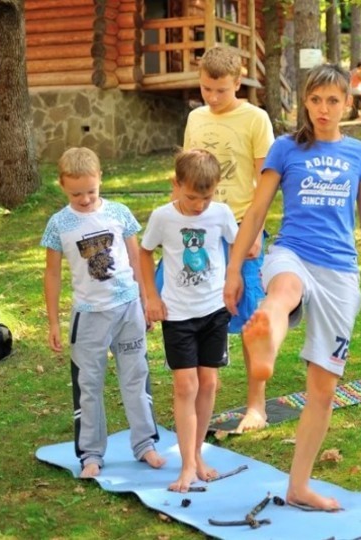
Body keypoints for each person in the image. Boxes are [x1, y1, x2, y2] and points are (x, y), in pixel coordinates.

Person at [225, 63, 361, 511]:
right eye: (316, 100)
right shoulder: (284, 148)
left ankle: (299, 486)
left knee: (323, 389)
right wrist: (232, 270)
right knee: (283, 293)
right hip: (292, 252)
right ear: (305, 102)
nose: (323, 109)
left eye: (333, 100)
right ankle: (265, 345)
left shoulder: (360, 154)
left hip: (340, 270)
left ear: (348, 104)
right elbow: (257, 213)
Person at [41, 147, 165, 478]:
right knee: (89, 384)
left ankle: (146, 445)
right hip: (90, 316)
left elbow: (137, 258)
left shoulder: (120, 213)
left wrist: (145, 299)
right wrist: (53, 321)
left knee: (136, 377)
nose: (84, 199)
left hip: (128, 310)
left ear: (101, 180)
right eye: (76, 193)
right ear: (62, 186)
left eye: (91, 191)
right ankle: (91, 455)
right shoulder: (59, 224)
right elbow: (52, 274)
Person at [183, 45, 275, 432]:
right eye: (206, 89)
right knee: (204, 313)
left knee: (252, 314)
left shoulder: (256, 119)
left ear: (238, 82)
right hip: (201, 231)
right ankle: (206, 402)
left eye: (221, 90)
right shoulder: (195, 118)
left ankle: (257, 405)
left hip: (241, 226)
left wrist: (252, 231)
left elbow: (266, 182)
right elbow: (187, 174)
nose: (213, 97)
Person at [139, 149, 239, 492]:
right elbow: (144, 251)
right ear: (176, 184)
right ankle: (185, 467)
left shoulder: (221, 214)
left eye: (207, 198)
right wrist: (151, 295)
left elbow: (237, 244)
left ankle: (197, 455)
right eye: (193, 197)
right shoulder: (163, 218)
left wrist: (235, 278)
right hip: (177, 314)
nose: (199, 206)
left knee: (209, 384)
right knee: (186, 386)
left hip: (213, 311)